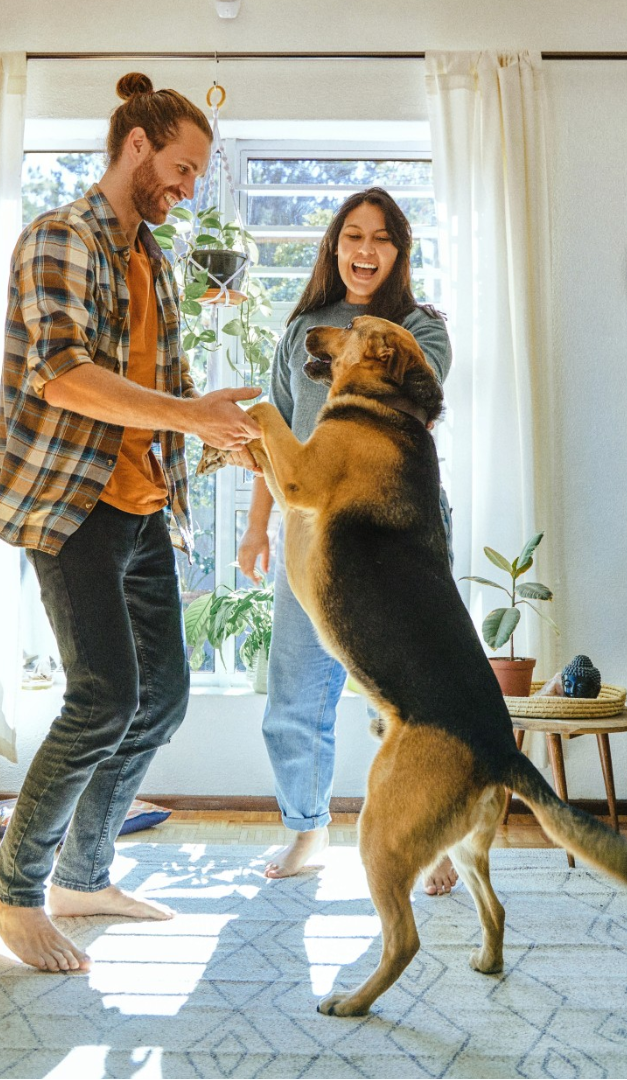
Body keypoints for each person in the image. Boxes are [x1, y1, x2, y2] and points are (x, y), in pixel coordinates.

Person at [0, 72, 261, 972]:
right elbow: (62, 375)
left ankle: (83, 876)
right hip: (72, 504)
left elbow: (164, 395)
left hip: (143, 508)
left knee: (163, 697)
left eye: (197, 176)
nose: (188, 188)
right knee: (102, 696)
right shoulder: (59, 238)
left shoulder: (155, 261)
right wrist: (189, 416)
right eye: (181, 168)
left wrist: (228, 439)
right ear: (136, 146)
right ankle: (15, 893)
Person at [237, 187, 459, 892]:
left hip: (394, 532)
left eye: (381, 238)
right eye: (353, 236)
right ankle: (307, 828)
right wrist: (255, 526)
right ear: (335, 246)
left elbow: (411, 404)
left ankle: (427, 832)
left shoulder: (420, 330)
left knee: (403, 694)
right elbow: (276, 428)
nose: (366, 250)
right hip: (309, 532)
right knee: (295, 692)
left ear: (399, 252)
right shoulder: (304, 328)